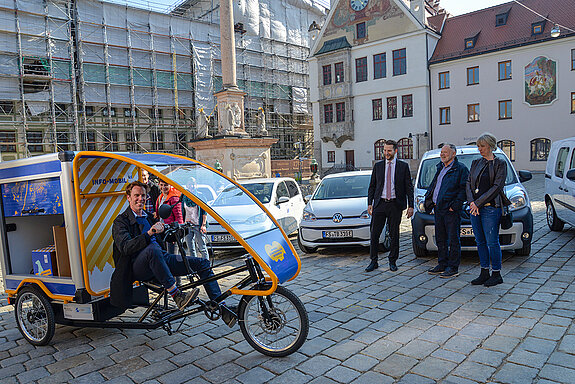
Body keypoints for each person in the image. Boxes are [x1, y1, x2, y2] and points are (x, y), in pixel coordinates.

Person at [110, 181, 215, 311]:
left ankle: (220, 305)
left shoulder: (149, 217)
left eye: (143, 195)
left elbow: (167, 236)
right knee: (152, 249)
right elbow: (126, 247)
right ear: (128, 197)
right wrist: (149, 233)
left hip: (161, 259)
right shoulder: (121, 221)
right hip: (137, 267)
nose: (140, 199)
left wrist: (183, 228)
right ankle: (177, 295)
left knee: (203, 263)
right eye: (136, 195)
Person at [466, 132, 508, 287]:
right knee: (480, 241)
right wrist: (472, 203)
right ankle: (484, 272)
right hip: (475, 209)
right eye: (478, 146)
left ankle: (496, 273)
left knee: (492, 242)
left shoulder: (500, 163)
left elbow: (497, 187)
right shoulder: (476, 162)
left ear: (490, 146)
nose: (479, 149)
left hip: (491, 209)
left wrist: (478, 203)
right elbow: (469, 183)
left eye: (482, 146)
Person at [366, 139, 414, 272]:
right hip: (380, 204)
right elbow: (372, 186)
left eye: (389, 151)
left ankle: (392, 261)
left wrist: (411, 206)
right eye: (385, 151)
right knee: (374, 233)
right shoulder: (378, 166)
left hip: (395, 204)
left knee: (394, 234)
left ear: (395, 151)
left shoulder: (403, 167)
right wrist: (370, 203)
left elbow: (408, 187)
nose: (386, 153)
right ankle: (373, 261)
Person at [424, 143, 469, 278]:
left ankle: (453, 267)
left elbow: (464, 189)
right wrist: (430, 200)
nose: (442, 154)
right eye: (441, 152)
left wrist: (455, 206)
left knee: (453, 239)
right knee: (441, 238)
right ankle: (442, 264)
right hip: (438, 209)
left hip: (451, 211)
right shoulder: (440, 167)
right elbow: (435, 186)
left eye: (445, 152)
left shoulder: (460, 169)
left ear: (453, 154)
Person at [182, 178, 210, 260]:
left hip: (198, 225)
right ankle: (195, 266)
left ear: (196, 185)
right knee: (191, 248)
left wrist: (203, 225)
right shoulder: (184, 197)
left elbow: (204, 211)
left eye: (193, 184)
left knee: (202, 248)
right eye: (189, 184)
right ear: (187, 185)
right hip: (188, 226)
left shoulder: (200, 196)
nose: (191, 186)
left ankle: (207, 265)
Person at [156, 179, 183, 254]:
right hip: (162, 230)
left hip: (171, 232)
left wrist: (176, 235)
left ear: (170, 185)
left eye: (166, 185)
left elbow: (179, 216)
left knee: (172, 255)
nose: (163, 187)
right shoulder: (160, 197)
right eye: (161, 185)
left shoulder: (174, 198)